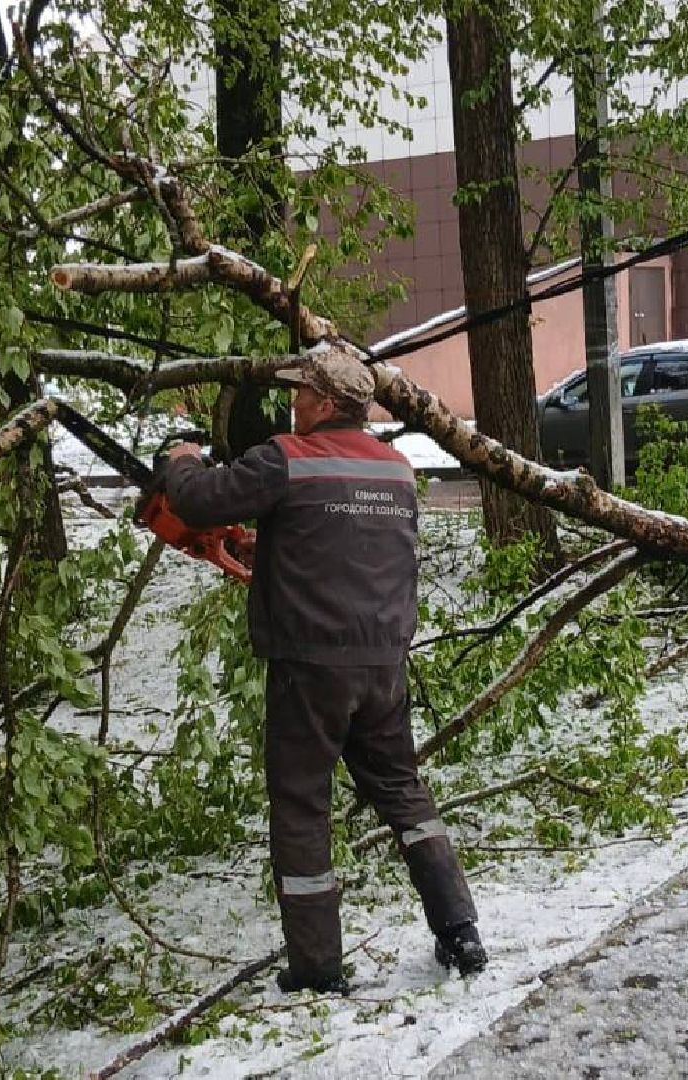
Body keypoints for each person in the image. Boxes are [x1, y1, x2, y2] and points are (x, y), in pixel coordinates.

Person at [162, 349, 487, 993]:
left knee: (302, 807)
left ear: (323, 402)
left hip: (309, 669)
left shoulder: (288, 458)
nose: (294, 402)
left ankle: (316, 969)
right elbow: (355, 542)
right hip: (383, 666)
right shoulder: (396, 471)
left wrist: (178, 458)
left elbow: (198, 500)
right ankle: (460, 931)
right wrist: (271, 544)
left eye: (301, 393)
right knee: (406, 798)